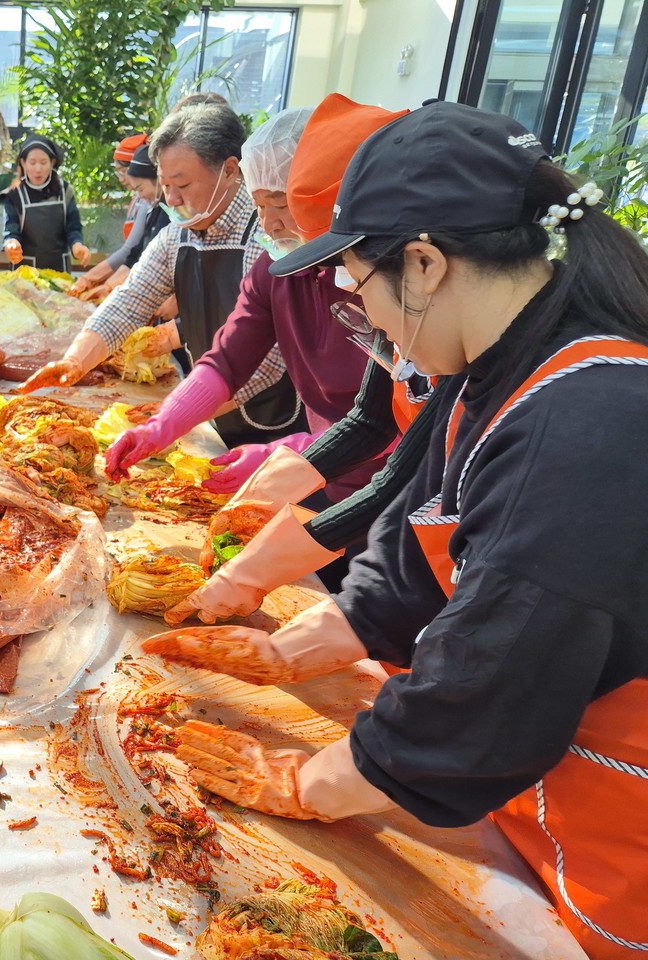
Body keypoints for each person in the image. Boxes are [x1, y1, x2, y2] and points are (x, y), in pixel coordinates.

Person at [146, 101, 648, 959]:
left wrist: (305, 782)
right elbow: (416, 549)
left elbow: (483, 692)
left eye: (358, 282)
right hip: (531, 799)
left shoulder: (589, 425)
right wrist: (288, 650)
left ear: (424, 262)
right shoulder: (497, 371)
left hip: (618, 840)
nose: (361, 313)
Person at [170, 95, 443, 623]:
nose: (346, 292)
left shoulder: (543, 386)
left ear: (425, 263)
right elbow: (369, 422)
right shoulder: (414, 322)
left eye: (351, 275)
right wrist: (276, 483)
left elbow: (401, 475)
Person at [103, 105, 381, 510]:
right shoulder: (276, 267)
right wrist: (159, 428)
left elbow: (391, 419)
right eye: (259, 206)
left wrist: (285, 453)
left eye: (280, 204)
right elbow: (227, 359)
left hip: (382, 485)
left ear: (330, 198)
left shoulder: (380, 282)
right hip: (322, 471)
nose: (267, 225)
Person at [19, 103, 302, 449]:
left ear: (230, 170)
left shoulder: (267, 236)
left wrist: (179, 412)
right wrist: (74, 361)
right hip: (211, 411)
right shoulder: (177, 235)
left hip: (276, 429)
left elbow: (266, 359)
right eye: (165, 184)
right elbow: (129, 301)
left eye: (182, 184)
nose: (172, 198)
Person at [70, 134, 155, 299]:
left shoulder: (149, 200)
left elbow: (132, 251)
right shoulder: (140, 197)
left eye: (124, 172)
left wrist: (94, 279)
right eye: (119, 173)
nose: (122, 180)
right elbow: (133, 254)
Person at [1, 133, 89, 273]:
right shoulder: (14, 195)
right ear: (23, 163)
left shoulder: (65, 191)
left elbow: (73, 228)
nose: (38, 169)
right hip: (25, 272)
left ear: (52, 162)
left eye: (43, 162)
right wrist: (11, 243)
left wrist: (77, 245)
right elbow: (11, 230)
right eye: (32, 162)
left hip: (60, 271)